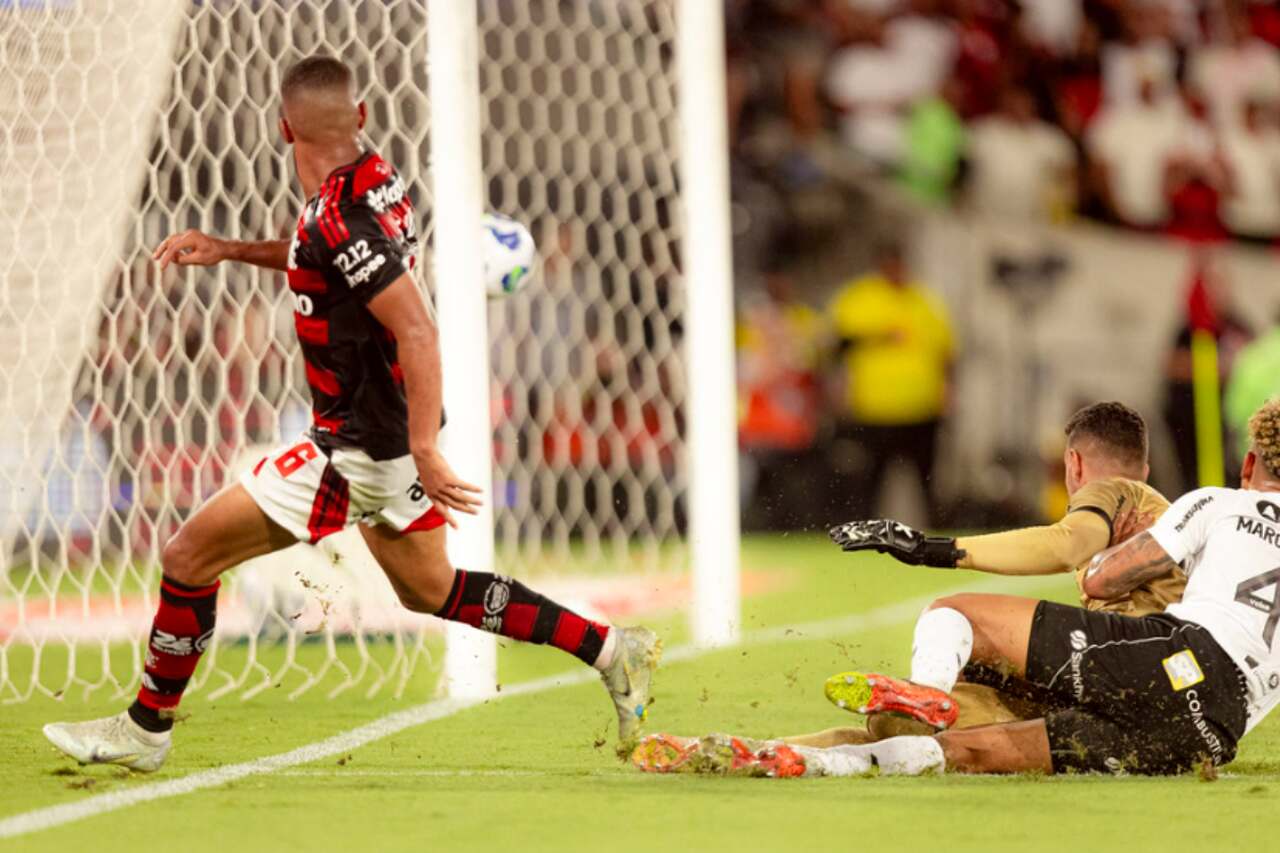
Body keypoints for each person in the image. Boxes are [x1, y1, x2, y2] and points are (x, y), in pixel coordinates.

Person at [42, 56, 660, 773]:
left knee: (187, 557)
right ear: (361, 116)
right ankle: (614, 649)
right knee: (435, 590)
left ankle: (145, 729)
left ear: (281, 128)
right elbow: (326, 253)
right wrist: (231, 250)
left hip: (355, 448)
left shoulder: (340, 215)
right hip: (388, 443)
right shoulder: (375, 179)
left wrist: (426, 446)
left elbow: (417, 327)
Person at [643, 400, 1280, 779]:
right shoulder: (1197, 521)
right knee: (941, 750)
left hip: (1149, 668)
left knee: (951, 622)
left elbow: (1072, 552)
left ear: (1075, 464)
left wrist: (937, 549)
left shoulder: (1150, 500)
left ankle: (926, 694)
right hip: (1204, 730)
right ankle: (768, 756)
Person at [826, 240, 955, 525]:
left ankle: (936, 541)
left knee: (928, 483)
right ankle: (860, 536)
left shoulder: (923, 300)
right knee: (868, 484)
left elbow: (946, 352)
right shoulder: (859, 298)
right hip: (874, 411)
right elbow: (838, 346)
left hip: (921, 410)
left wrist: (947, 390)